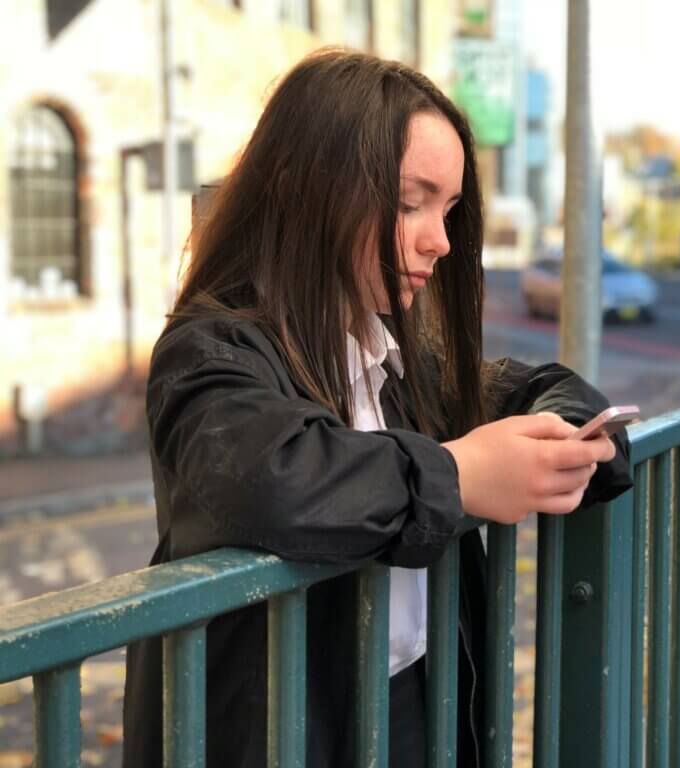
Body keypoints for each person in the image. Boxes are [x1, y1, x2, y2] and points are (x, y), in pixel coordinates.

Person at [122, 48, 632, 768]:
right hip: (281, 734)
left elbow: (539, 386)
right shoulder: (211, 348)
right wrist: (461, 474)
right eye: (408, 202)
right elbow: (276, 477)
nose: (441, 240)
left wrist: (577, 443)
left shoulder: (390, 358)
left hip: (413, 707)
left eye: (449, 209)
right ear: (305, 187)